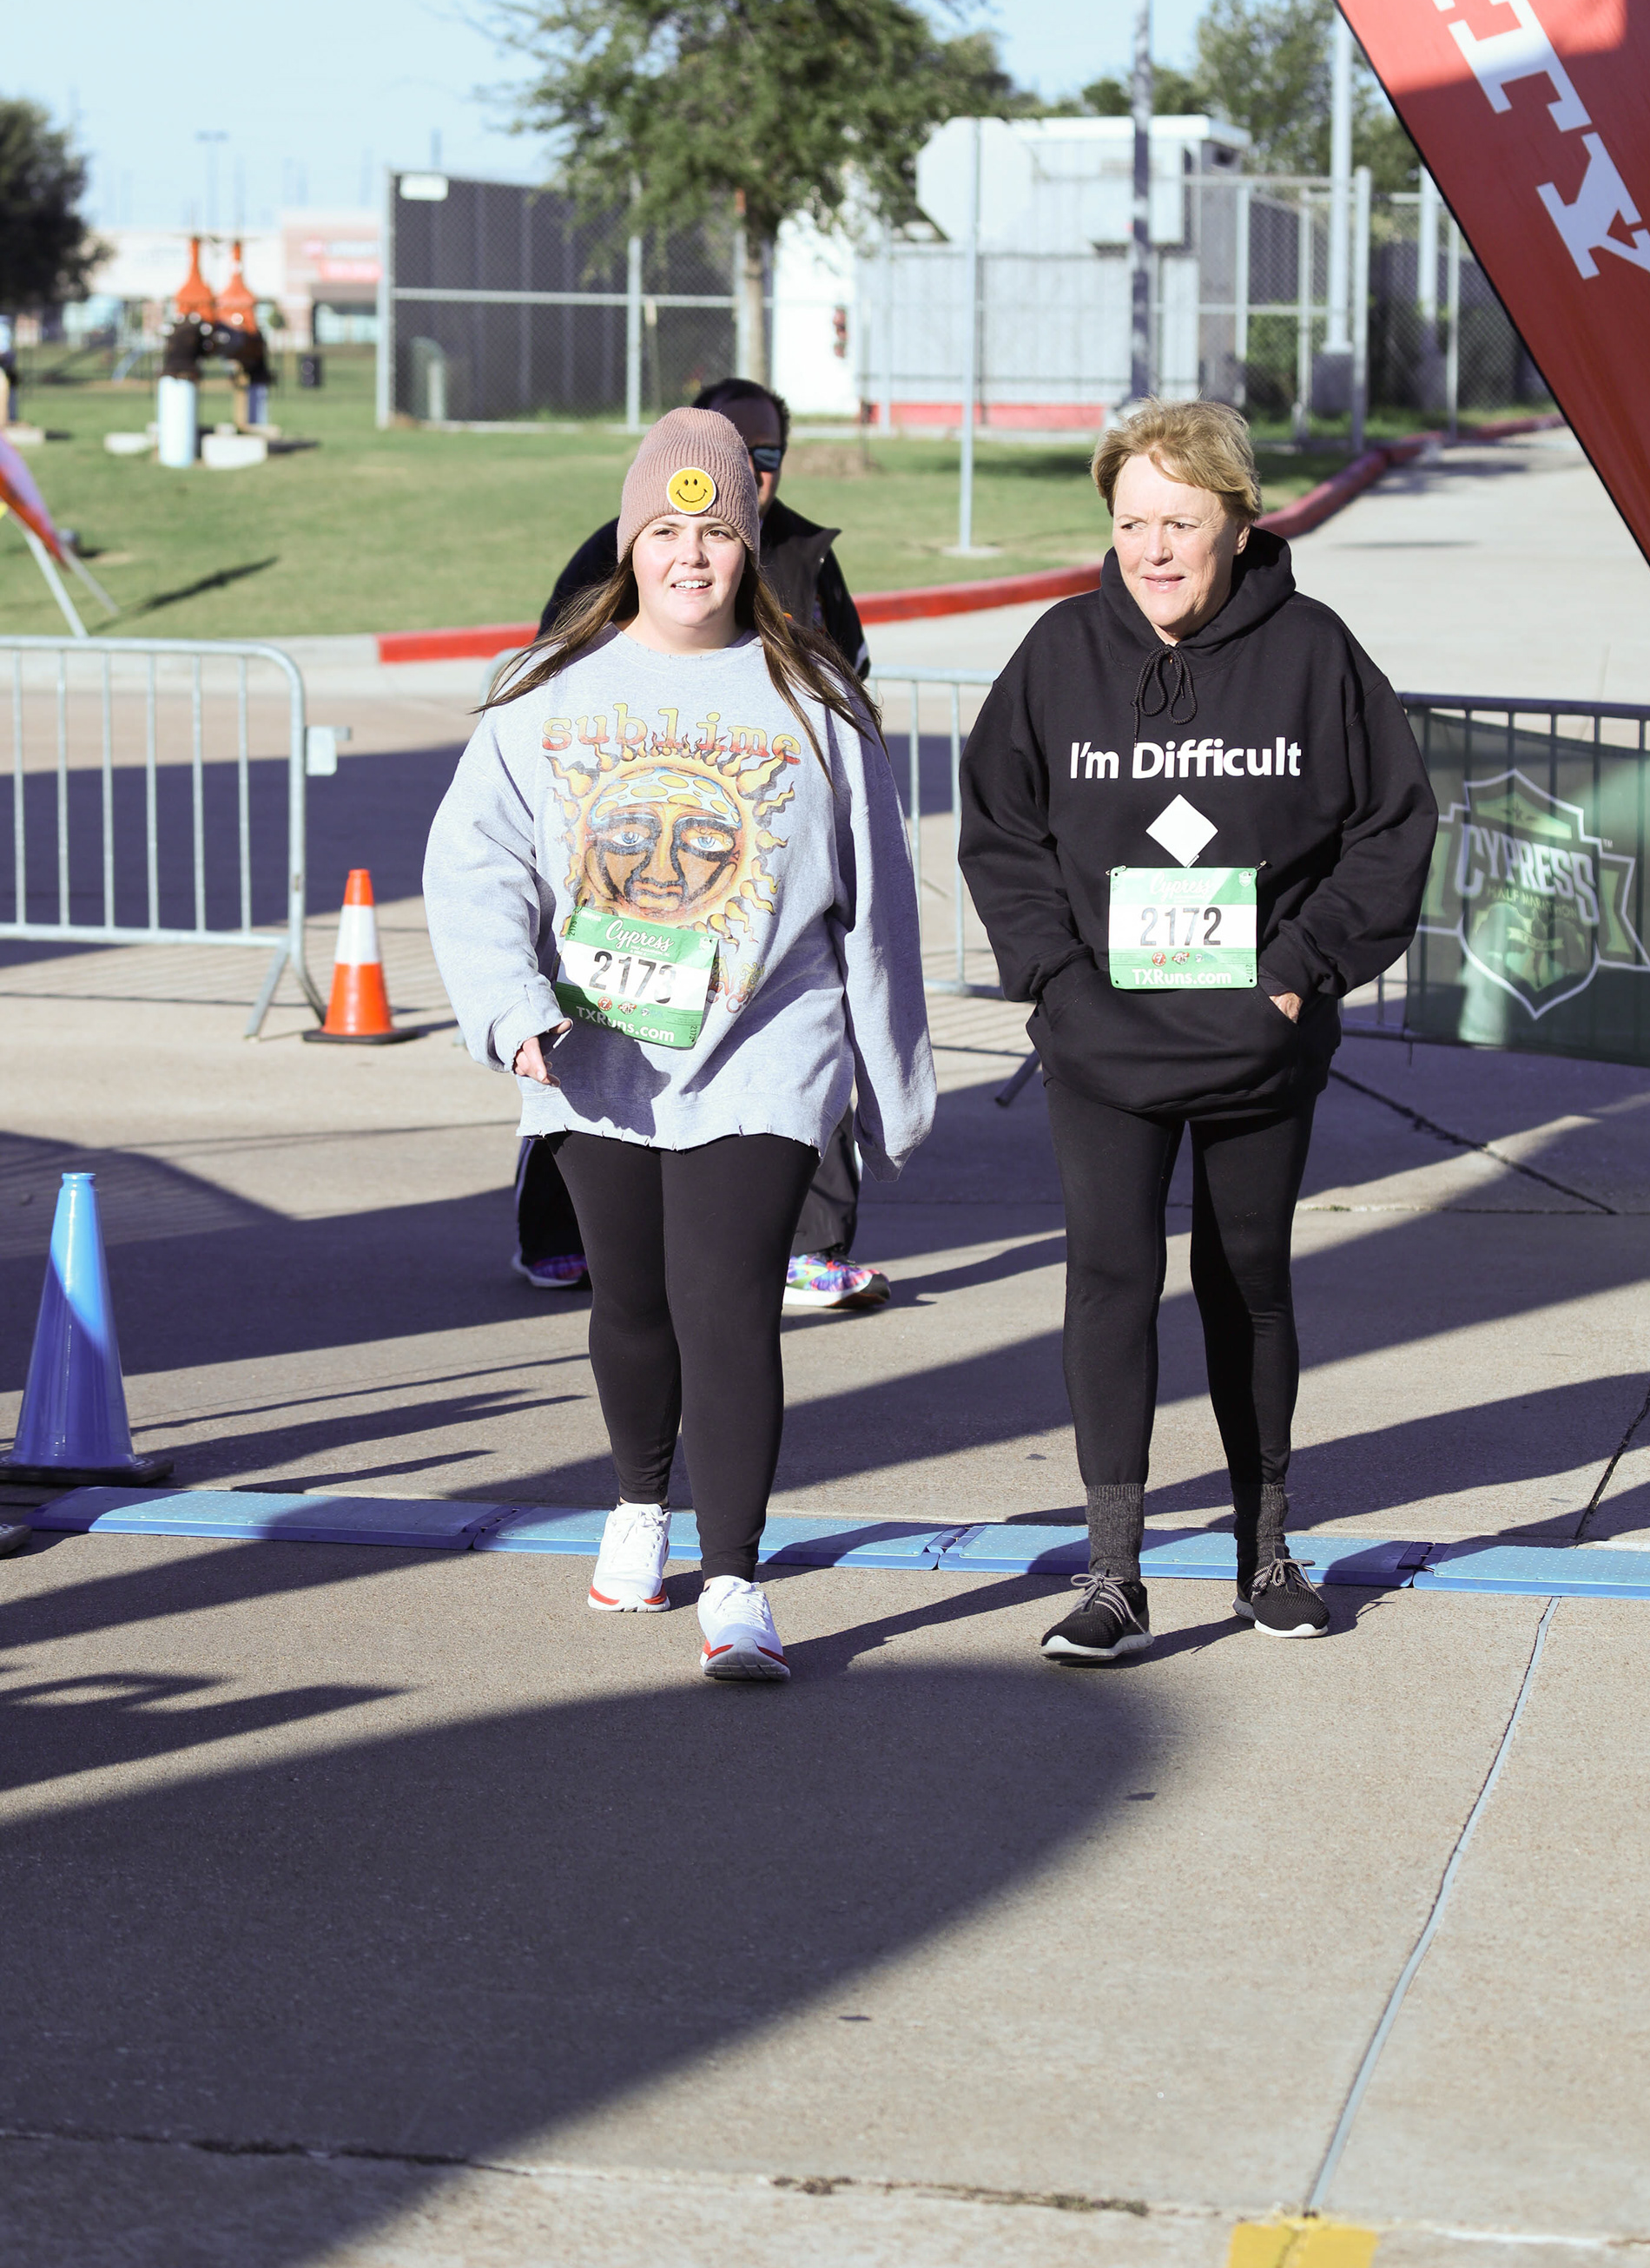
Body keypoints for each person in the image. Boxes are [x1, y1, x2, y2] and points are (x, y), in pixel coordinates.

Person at [425, 406, 933, 1682]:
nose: (690, 555)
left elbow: (879, 902)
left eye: (715, 533)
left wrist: (891, 1080)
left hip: (766, 1046)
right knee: (634, 1305)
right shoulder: (547, 693)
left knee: (727, 1306)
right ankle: (639, 1504)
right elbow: (475, 864)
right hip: (597, 1052)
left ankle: (737, 1581)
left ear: (750, 546)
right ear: (629, 546)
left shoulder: (816, 699)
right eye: (664, 531)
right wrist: (510, 1008)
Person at [959, 399, 1436, 1660]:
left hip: (1254, 1043)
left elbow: (1391, 826)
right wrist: (1056, 979)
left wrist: (1296, 970)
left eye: (1179, 522)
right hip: (1101, 1042)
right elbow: (1002, 828)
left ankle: (1264, 1555)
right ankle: (1114, 1577)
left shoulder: (1315, 653)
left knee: (1248, 1283)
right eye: (1132, 524)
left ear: (1237, 521)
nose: (1153, 550)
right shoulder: (1061, 652)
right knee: (1111, 1285)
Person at [520, 375, 888, 1315]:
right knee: (584, 1087)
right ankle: (554, 1233)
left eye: (768, 457)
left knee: (798, 1072)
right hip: (613, 950)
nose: (753, 472)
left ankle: (814, 1245)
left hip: (759, 961)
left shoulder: (805, 555)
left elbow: (852, 670)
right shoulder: (606, 565)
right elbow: (550, 706)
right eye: (739, 451)